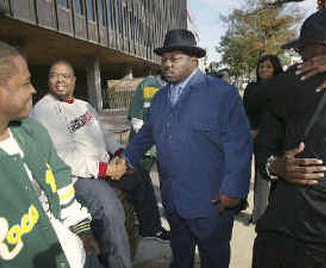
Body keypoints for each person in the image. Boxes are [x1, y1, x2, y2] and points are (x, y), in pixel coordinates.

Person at [0, 37, 100, 268]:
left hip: (77, 256)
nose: (34, 89)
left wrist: (82, 231)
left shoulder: (33, 131)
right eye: (26, 83)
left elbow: (61, 181)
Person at [116, 29, 252, 268]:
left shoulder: (222, 93)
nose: (167, 64)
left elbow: (239, 144)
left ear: (194, 60)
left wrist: (233, 190)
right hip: (173, 199)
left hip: (212, 201)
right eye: (164, 59)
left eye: (175, 58)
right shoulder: (159, 97)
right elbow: (146, 133)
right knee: (180, 257)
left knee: (214, 257)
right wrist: (126, 159)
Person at [31, 61, 169, 255]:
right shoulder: (44, 110)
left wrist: (122, 156)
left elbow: (104, 134)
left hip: (103, 167)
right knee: (110, 208)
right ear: (49, 80)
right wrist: (106, 169)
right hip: (77, 177)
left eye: (65, 75)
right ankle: (120, 261)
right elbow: (63, 158)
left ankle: (151, 229)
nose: (60, 79)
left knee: (140, 175)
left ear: (73, 80)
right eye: (55, 75)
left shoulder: (84, 105)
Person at [252, 4, 326, 268]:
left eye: (303, 51)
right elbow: (264, 147)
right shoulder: (290, 89)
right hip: (280, 233)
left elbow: (257, 95)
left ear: (325, 50)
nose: (300, 58)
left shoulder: (291, 82)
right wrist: (275, 165)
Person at [243, 54, 284, 223]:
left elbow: (278, 113)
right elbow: (244, 109)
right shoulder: (251, 87)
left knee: (263, 177)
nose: (264, 69)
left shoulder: (281, 87)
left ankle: (259, 215)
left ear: (275, 68)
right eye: (261, 66)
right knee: (242, 172)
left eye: (268, 66)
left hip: (269, 138)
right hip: (247, 135)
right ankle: (238, 204)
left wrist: (260, 130)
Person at [128, 74, 165, 171]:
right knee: (141, 176)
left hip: (164, 146)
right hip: (147, 147)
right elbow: (137, 120)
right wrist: (147, 145)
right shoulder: (149, 84)